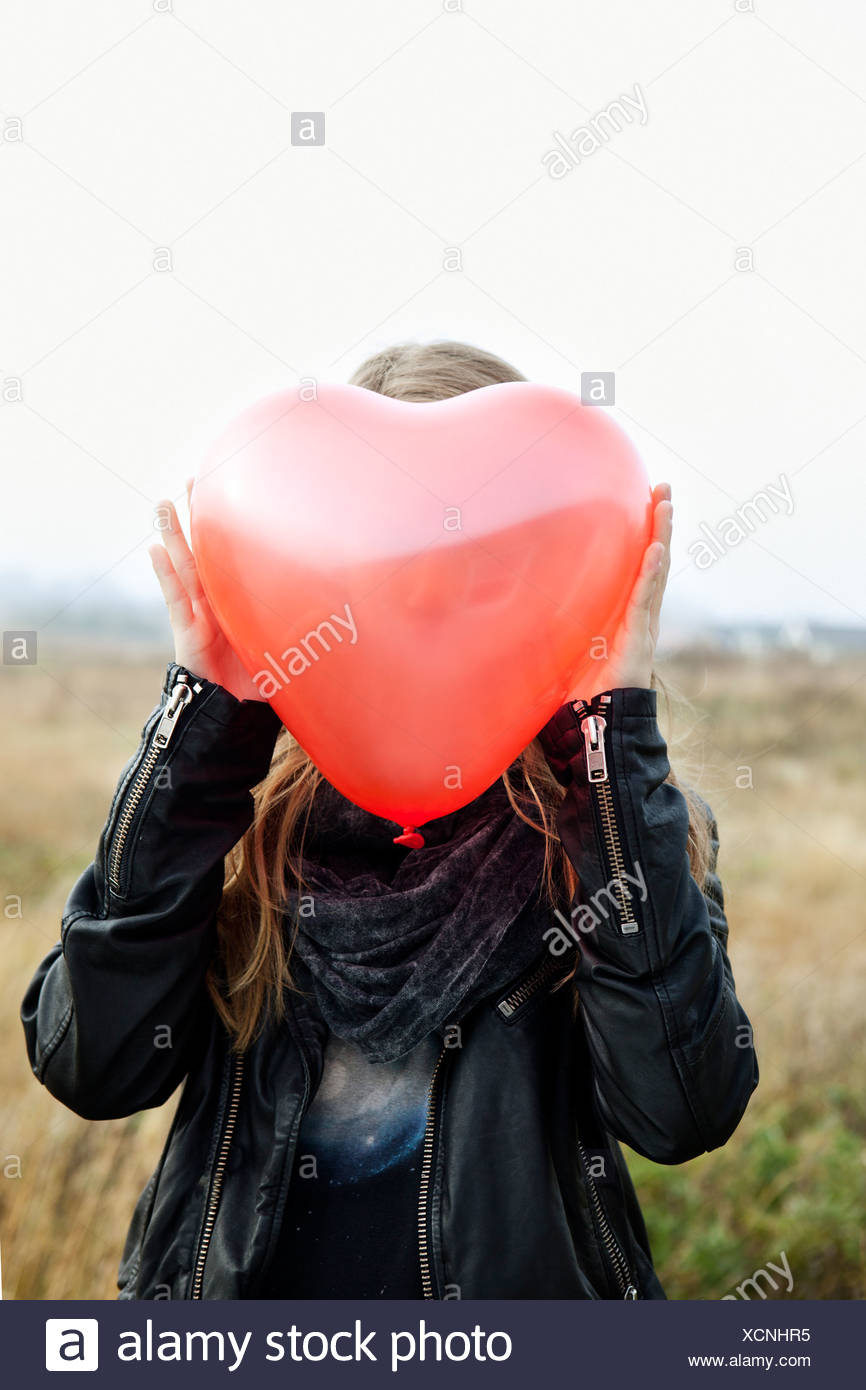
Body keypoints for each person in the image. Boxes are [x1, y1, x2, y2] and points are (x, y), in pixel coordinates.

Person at [21, 340, 758, 1301]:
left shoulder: (613, 830)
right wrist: (201, 735)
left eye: (471, 563)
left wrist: (606, 761)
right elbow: (94, 1065)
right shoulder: (241, 826)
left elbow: (680, 1112)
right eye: (385, 564)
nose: (423, 602)